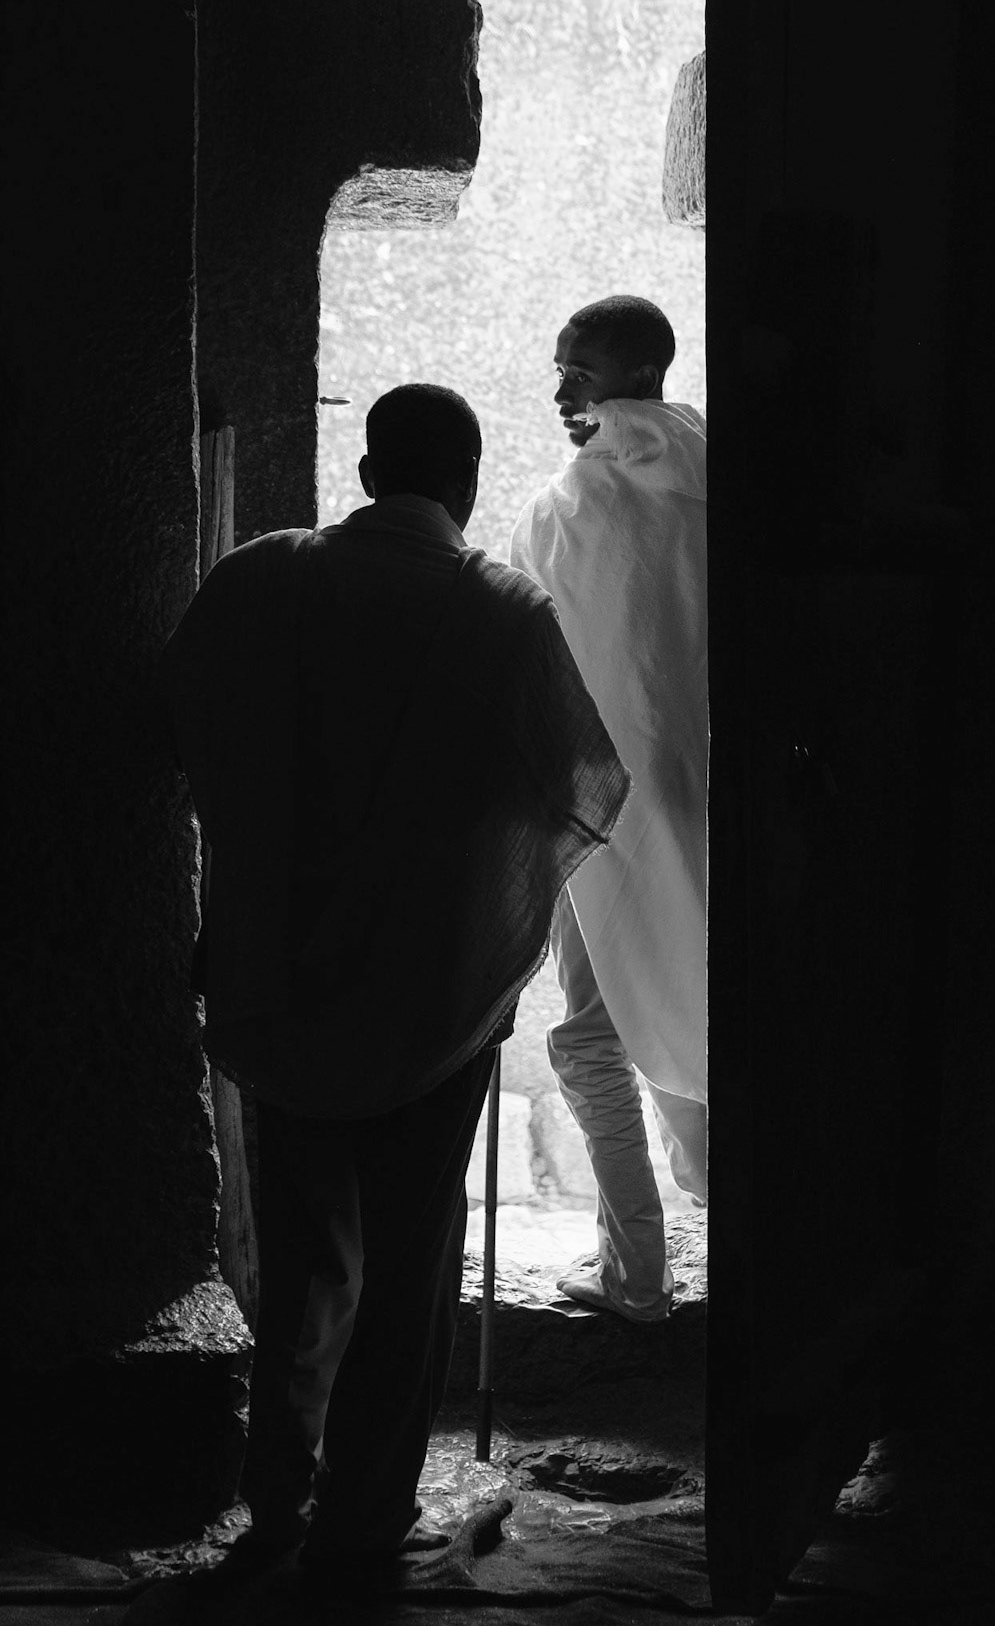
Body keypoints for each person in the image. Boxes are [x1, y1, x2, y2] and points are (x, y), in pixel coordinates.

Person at [159, 384, 629, 1601]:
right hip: (429, 1003)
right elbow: (580, 782)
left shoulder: (258, 581)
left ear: (368, 471)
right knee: (408, 1262)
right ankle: (365, 1519)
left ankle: (276, 1499)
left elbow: (183, 725)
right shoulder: (505, 616)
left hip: (276, 977)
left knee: (301, 1257)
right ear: (465, 480)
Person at [509, 296, 707, 1324]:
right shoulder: (715, 478)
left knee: (591, 1035)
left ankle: (635, 1274)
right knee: (697, 1001)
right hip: (707, 804)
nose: (558, 392)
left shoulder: (569, 513)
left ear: (634, 369)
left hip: (606, 812)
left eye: (577, 373)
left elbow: (545, 672)